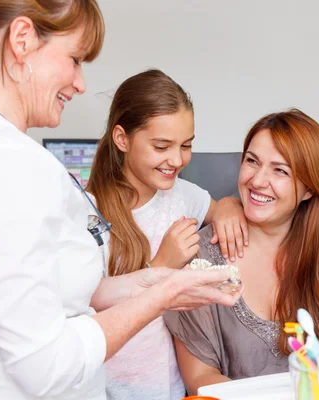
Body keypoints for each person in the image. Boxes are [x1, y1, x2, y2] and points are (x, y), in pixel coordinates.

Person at [0, 2, 240, 399]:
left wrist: (158, 280)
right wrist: (162, 297)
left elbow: (59, 292)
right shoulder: (8, 164)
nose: (81, 83)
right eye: (74, 59)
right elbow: (44, 365)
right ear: (21, 40)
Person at [164, 109, 319, 395]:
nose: (257, 181)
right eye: (251, 161)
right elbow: (200, 377)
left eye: (280, 170)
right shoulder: (201, 258)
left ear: (309, 189)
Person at [85, 69, 248, 400]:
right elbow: (88, 304)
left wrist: (230, 204)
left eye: (186, 145)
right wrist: (162, 264)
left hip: (171, 387)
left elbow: (221, 209)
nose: (176, 160)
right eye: (162, 146)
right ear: (122, 138)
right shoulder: (90, 213)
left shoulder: (182, 195)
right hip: (108, 389)